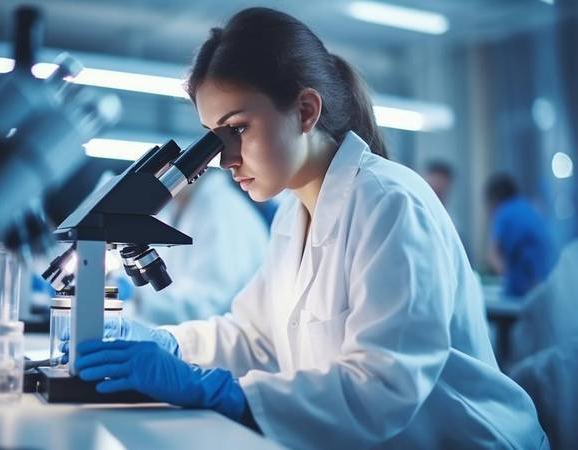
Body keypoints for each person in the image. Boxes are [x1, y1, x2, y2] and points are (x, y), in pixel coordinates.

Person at [70, 8, 547, 449]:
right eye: (215, 136)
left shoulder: (390, 203)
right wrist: (169, 342)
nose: (225, 159)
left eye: (237, 128)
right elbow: (255, 338)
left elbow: (382, 389)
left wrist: (211, 389)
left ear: (305, 111)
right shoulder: (292, 212)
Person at [112, 167, 269, 325]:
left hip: (221, 336)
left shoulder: (220, 211)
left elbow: (207, 304)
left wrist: (138, 296)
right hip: (189, 333)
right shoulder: (177, 206)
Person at [485, 173, 557, 298]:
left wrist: (508, 275)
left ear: (494, 198)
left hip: (522, 290)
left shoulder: (504, 214)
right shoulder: (529, 208)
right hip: (547, 285)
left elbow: (492, 256)